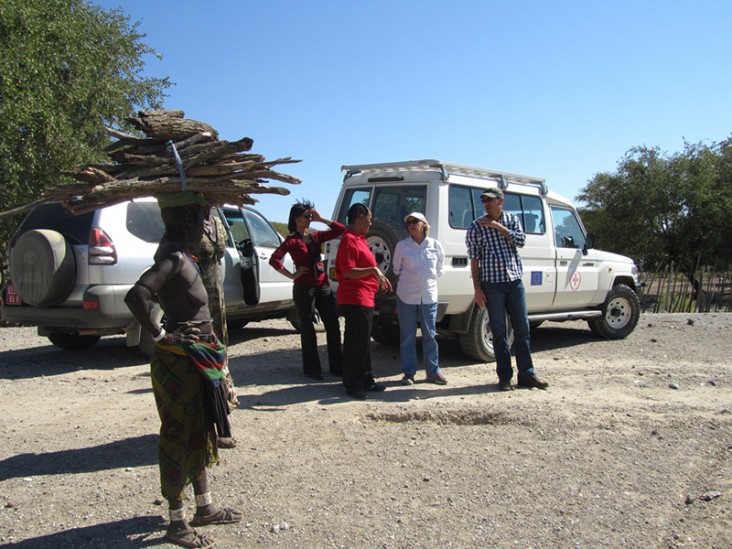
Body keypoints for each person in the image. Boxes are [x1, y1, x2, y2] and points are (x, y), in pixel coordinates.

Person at [125, 193, 242, 549]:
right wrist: (163, 334)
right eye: (201, 219)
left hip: (199, 356)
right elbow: (137, 295)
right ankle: (176, 522)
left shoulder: (183, 254)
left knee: (200, 430)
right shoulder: (173, 256)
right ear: (187, 221)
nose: (206, 226)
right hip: (180, 359)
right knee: (179, 434)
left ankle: (203, 507)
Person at [465, 188, 549, 391]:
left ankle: (527, 375)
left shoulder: (512, 220)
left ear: (500, 201)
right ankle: (504, 377)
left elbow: (521, 241)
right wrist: (477, 288)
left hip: (514, 282)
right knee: (499, 330)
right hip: (492, 284)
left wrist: (497, 227)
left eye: (490, 200)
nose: (486, 203)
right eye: (484, 200)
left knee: (523, 328)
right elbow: (474, 259)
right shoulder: (476, 226)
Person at [269, 200, 345, 380]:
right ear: (296, 219)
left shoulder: (315, 236)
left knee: (333, 325)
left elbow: (340, 230)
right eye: (306, 216)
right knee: (308, 327)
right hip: (304, 288)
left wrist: (322, 219)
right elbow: (274, 260)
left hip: (323, 285)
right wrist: (292, 275)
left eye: (310, 216)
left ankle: (337, 366)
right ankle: (312, 369)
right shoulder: (292, 240)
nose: (310, 219)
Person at [189, 208, 238, 449]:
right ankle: (206, 426)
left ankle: (222, 421)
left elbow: (220, 253)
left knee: (220, 360)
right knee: (203, 363)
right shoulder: (187, 221)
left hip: (216, 301)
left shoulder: (216, 222)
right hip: (195, 304)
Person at [335, 203, 393, 399]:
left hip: (366, 298)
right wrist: (374, 271)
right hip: (355, 298)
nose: (370, 222)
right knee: (356, 343)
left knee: (362, 342)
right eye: (368, 218)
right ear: (359, 218)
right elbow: (348, 271)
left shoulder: (360, 239)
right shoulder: (349, 240)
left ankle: (367, 379)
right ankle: (353, 384)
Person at [392, 212, 447, 386]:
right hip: (406, 296)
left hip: (428, 296)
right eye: (408, 222)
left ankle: (433, 372)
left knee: (430, 335)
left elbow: (439, 269)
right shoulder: (402, 246)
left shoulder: (435, 245)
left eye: (414, 221)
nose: (411, 224)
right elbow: (396, 269)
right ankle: (409, 373)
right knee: (407, 336)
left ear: (424, 224)